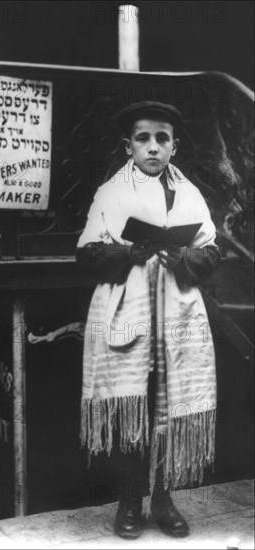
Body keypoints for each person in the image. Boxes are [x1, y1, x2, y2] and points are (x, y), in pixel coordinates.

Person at [76, 100, 220, 539]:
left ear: (174, 147)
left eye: (162, 138)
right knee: (134, 409)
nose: (153, 147)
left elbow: (212, 252)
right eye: (143, 138)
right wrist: (130, 252)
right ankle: (130, 501)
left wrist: (183, 255)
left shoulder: (190, 194)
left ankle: (164, 499)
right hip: (129, 311)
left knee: (166, 407)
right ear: (128, 146)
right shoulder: (111, 193)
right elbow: (87, 252)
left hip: (176, 314)